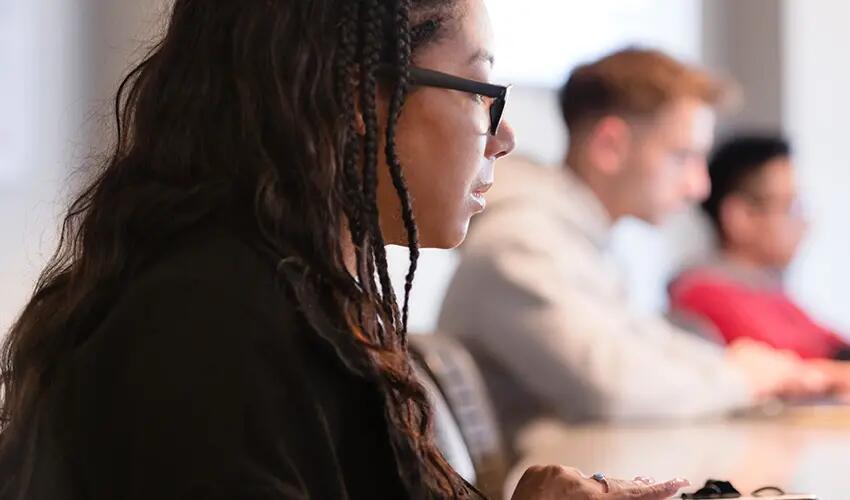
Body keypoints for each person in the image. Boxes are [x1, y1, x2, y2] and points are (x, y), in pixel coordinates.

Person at [0, 2, 686, 499]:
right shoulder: (216, 321)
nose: (503, 139)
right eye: (484, 93)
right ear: (359, 93)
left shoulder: (290, 293)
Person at [438, 49, 850, 445]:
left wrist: (777, 373)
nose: (700, 186)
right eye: (683, 156)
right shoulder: (523, 243)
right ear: (611, 146)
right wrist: (747, 378)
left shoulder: (576, 242)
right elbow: (613, 385)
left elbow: (644, 346)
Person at [670, 135, 850, 374]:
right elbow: (813, 362)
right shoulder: (704, 294)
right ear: (740, 217)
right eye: (791, 207)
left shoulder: (766, 290)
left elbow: (841, 349)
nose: (805, 223)